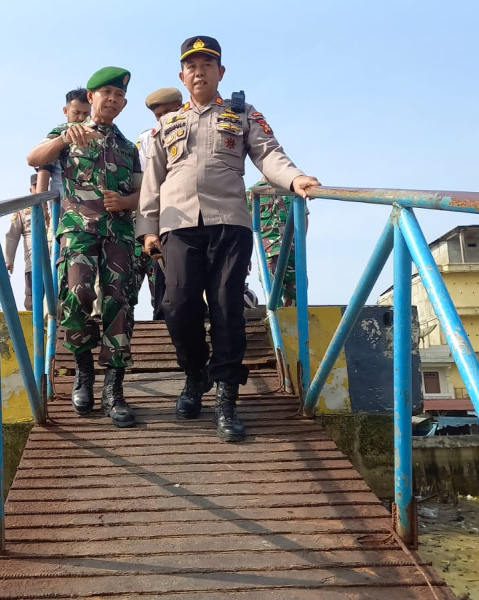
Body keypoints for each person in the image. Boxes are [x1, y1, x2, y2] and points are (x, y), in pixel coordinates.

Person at [137, 36, 320, 442]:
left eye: (207, 64)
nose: (199, 71)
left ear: (221, 72)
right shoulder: (166, 125)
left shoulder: (244, 115)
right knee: (177, 304)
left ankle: (226, 397)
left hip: (229, 221)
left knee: (226, 306)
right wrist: (147, 230)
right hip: (178, 223)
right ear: (182, 76)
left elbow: (268, 153)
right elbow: (152, 182)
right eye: (192, 66)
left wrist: (295, 178)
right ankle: (195, 373)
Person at [26, 67, 141, 428]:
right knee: (76, 294)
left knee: (118, 301)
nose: (112, 99)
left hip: (119, 233)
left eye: (119, 95)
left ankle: (114, 389)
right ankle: (83, 370)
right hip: (78, 229)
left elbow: (143, 192)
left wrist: (125, 202)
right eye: (105, 92)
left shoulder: (128, 147)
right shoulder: (66, 133)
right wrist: (63, 141)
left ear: (123, 104)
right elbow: (33, 158)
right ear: (90, 97)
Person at [132, 88, 183, 320]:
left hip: (186, 211)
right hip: (158, 212)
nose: (164, 118)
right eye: (158, 114)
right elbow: (144, 181)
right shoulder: (147, 138)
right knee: (156, 269)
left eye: (170, 111)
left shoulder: (191, 127)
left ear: (181, 106)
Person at [247, 179, 309, 307]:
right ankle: (276, 323)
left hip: (293, 251)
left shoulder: (293, 189)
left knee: (297, 293)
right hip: (268, 252)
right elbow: (245, 224)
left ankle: (294, 324)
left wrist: (300, 244)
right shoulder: (252, 192)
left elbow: (303, 217)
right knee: (272, 296)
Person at [34, 88, 92, 194]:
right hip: (64, 205)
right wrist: (41, 205)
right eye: (76, 112)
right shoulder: (59, 134)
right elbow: (44, 168)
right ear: (66, 111)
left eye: (86, 114)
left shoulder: (96, 134)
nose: (81, 118)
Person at [4, 175, 38, 310]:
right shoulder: (24, 210)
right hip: (33, 264)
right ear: (31, 189)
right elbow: (12, 235)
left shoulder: (57, 205)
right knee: (32, 302)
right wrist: (8, 260)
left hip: (56, 261)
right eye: (36, 186)